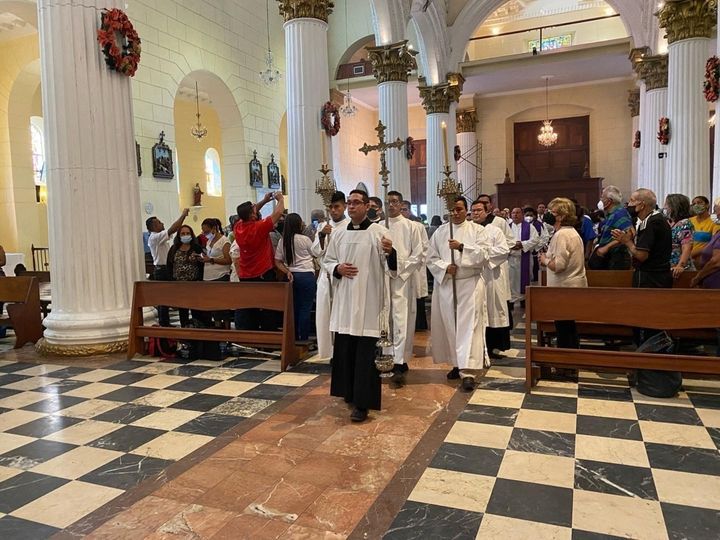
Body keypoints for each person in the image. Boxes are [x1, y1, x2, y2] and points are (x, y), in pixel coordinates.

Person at [324, 189, 397, 422]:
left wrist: (391, 253)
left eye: (356, 203)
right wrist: (337, 269)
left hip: (368, 302)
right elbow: (327, 261)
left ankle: (363, 403)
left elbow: (393, 266)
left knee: (365, 353)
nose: (351, 206)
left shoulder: (379, 232)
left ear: (367, 206)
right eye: (349, 203)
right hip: (346, 300)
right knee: (346, 349)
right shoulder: (338, 233)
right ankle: (348, 392)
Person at [428, 197, 490, 392]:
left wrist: (462, 247)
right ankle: (456, 363)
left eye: (459, 209)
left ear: (466, 210)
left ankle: (468, 371)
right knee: (450, 325)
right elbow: (431, 257)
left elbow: (485, 254)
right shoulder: (440, 232)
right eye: (452, 209)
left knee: (469, 327)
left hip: (470, 284)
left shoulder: (477, 230)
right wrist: (446, 267)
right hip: (447, 285)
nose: (455, 213)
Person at [385, 191, 427, 385]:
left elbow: (419, 253)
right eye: (388, 202)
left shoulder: (412, 227)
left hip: (402, 279)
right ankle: (386, 357)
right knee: (385, 321)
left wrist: (398, 268)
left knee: (401, 321)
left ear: (401, 204)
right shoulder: (378, 227)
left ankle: (399, 362)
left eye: (394, 202)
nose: (391, 205)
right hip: (383, 280)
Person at [539, 198, 587, 349]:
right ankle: (570, 362)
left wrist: (544, 259)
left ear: (560, 216)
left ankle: (565, 364)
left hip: (564, 288)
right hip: (571, 286)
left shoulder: (562, 235)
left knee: (564, 330)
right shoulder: (571, 232)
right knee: (569, 328)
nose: (548, 215)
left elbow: (558, 265)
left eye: (551, 212)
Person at [234, 191, 285, 330]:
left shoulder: (238, 227)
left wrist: (264, 200)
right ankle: (269, 337)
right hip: (262, 272)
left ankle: (253, 337)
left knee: (251, 307)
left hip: (246, 274)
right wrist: (280, 199)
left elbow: (251, 211)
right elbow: (278, 213)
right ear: (252, 215)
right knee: (268, 307)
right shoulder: (258, 227)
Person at [470, 200, 511, 360]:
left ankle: (493, 346)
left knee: (493, 310)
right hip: (473, 276)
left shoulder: (495, 230)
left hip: (491, 275)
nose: (476, 213)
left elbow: (503, 250)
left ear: (487, 212)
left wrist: (482, 254)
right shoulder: (468, 230)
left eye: (479, 210)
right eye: (473, 210)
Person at [312, 191, 349, 360]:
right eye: (331, 207)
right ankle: (329, 352)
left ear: (344, 207)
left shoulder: (349, 225)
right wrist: (321, 236)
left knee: (342, 315)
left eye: (337, 207)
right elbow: (316, 252)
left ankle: (342, 351)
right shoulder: (322, 226)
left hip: (342, 277)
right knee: (325, 315)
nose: (333, 211)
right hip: (326, 278)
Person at [612, 188, 672, 290]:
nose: (628, 204)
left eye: (632, 200)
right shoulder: (655, 219)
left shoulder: (652, 223)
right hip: (659, 276)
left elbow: (641, 255)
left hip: (651, 278)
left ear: (642, 205)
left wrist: (626, 241)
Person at [275, 213, 317, 342]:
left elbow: (277, 261)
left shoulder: (283, 240)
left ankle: (293, 338)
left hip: (291, 276)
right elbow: (316, 253)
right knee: (305, 307)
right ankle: (304, 339)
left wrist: (287, 271)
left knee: (293, 309)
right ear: (298, 224)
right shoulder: (304, 239)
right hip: (306, 275)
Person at [146, 208, 189, 326]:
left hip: (167, 269)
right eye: (159, 223)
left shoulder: (158, 237)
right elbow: (173, 229)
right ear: (153, 227)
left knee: (171, 297)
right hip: (162, 270)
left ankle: (171, 322)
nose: (162, 224)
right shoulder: (154, 237)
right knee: (163, 299)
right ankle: (164, 323)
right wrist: (183, 215)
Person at [166, 225, 205, 327]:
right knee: (183, 310)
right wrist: (172, 282)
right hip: (179, 285)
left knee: (196, 310)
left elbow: (202, 264)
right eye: (183, 234)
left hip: (194, 284)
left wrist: (200, 281)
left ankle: (197, 330)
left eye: (187, 233)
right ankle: (185, 330)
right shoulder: (174, 249)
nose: (185, 235)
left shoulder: (196, 248)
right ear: (179, 236)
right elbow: (169, 265)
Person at [590, 185, 633, 270]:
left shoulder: (619, 213)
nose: (601, 200)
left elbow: (630, 233)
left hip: (617, 258)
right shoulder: (611, 214)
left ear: (609, 201)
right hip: (610, 258)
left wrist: (606, 248)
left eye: (602, 197)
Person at [508, 207, 540, 307]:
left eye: (517, 213)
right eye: (513, 213)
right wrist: (512, 245)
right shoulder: (507, 227)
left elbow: (535, 240)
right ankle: (510, 302)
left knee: (526, 279)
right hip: (510, 259)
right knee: (510, 280)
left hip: (525, 258)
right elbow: (502, 240)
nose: (515, 215)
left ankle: (524, 301)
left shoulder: (530, 227)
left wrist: (521, 244)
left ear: (522, 214)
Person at [663, 193, 696, 278]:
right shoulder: (669, 223)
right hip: (668, 266)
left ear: (674, 206)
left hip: (679, 268)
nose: (664, 207)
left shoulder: (684, 223)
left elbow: (687, 246)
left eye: (667, 204)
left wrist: (681, 265)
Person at [691, 198, 720, 289]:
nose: (716, 214)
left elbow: (716, 262)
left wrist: (698, 277)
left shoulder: (713, 225)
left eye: (717, 210)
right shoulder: (690, 221)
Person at [689, 196, 720, 266]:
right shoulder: (689, 221)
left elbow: (713, 243)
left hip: (702, 259)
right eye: (694, 204)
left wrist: (692, 254)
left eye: (699, 203)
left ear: (707, 205)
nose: (696, 205)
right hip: (687, 259)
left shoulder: (714, 222)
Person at [524, 207, 549, 282]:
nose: (529, 217)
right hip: (525, 251)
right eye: (527, 215)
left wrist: (536, 247)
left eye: (531, 215)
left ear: (535, 216)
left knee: (536, 271)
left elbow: (545, 237)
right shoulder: (522, 225)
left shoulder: (539, 225)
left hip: (536, 251)